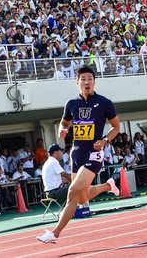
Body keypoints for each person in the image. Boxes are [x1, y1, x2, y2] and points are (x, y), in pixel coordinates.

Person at [37, 66, 121, 244]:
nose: (87, 82)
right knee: (82, 198)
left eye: (90, 78)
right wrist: (63, 130)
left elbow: (116, 127)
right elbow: (64, 123)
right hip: (76, 153)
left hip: (94, 154)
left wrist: (105, 140)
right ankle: (108, 186)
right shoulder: (71, 104)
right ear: (77, 82)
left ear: (94, 81)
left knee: (73, 192)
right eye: (83, 79)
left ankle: (55, 233)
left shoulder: (105, 103)